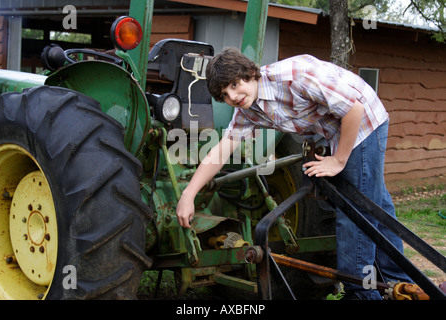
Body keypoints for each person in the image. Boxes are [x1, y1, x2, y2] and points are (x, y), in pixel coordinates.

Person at [176, 47, 412, 299]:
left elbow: (354, 110)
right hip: (334, 131)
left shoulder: (295, 76)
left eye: (235, 84)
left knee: (355, 211)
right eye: (225, 93)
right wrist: (188, 194)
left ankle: (361, 293)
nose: (233, 96)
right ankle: (402, 284)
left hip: (363, 121)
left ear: (250, 73)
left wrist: (339, 160)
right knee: (377, 205)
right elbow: (220, 152)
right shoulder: (246, 111)